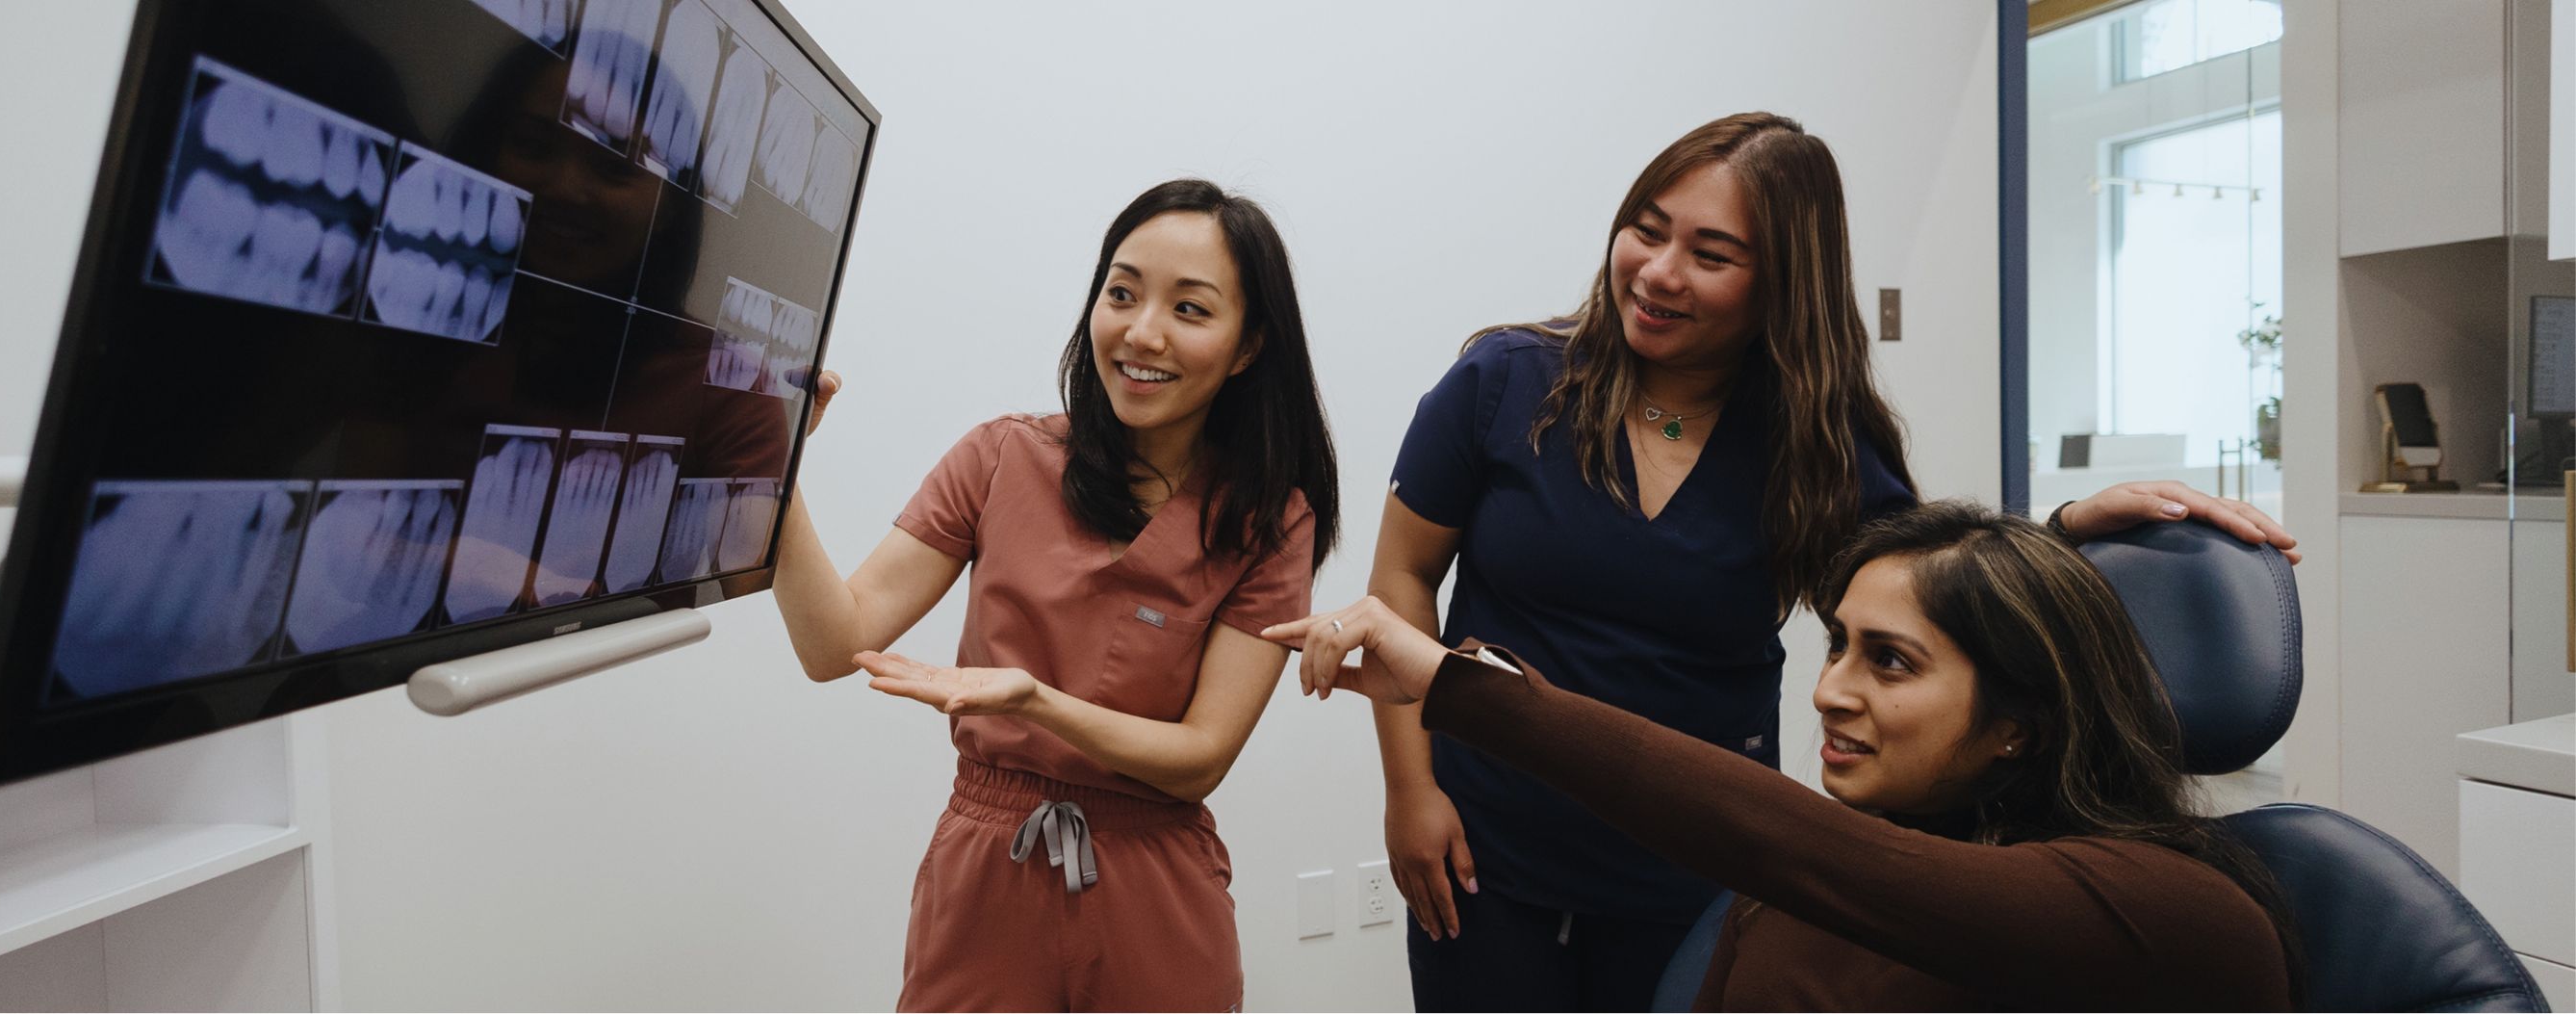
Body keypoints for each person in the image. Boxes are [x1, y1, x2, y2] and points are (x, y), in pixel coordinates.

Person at [1363, 111, 2298, 1010]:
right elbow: (1402, 577)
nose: (1656, 272)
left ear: (1780, 283)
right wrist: (1411, 792)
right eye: (1644, 232)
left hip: (1694, 855)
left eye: (1710, 254)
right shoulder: (1502, 383)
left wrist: (2061, 527)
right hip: (1482, 843)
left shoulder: (1816, 442)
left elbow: (1923, 589)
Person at [1270, 500, 2300, 1009]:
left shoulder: (2171, 913)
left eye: (1888, 664)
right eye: (1836, 644)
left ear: (2019, 724)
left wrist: (1466, 690)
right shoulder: (1798, 887)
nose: (1828, 690)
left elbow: (1812, 854)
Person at [769, 179, 1341, 1012]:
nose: (1141, 332)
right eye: (1121, 293)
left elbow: (1201, 757)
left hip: (1155, 892)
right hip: (985, 881)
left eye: (1189, 309)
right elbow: (833, 644)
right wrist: (774, 469)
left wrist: (1036, 701)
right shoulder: (1002, 457)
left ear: (1248, 345)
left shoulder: (1267, 518)